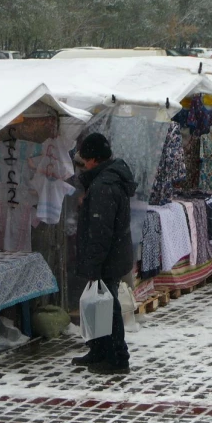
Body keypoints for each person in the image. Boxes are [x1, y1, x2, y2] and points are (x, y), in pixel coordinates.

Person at [72, 133, 137, 375]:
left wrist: (94, 264)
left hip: (107, 257)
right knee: (99, 304)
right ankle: (99, 350)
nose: (83, 164)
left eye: (85, 159)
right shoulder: (108, 180)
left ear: (93, 159)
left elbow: (100, 230)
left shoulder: (104, 185)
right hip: (113, 253)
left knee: (107, 306)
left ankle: (117, 358)